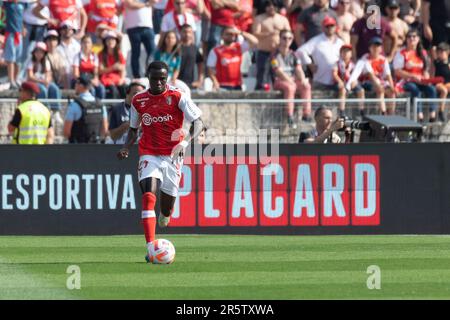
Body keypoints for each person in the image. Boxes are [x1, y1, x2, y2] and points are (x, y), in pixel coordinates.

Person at [116, 61, 204, 262]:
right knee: (148, 195)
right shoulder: (139, 100)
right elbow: (133, 129)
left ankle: (165, 215)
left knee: (165, 211)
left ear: (166, 79)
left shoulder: (178, 96)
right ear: (148, 78)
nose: (158, 83)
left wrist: (186, 143)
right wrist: (125, 147)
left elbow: (199, 122)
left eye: (162, 79)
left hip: (173, 156)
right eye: (154, 79)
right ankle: (151, 248)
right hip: (149, 154)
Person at [296, 16, 344, 107]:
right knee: (319, 110)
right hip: (320, 81)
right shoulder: (316, 40)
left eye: (332, 26)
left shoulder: (340, 42)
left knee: (335, 110)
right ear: (323, 27)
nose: (330, 28)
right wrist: (310, 64)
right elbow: (300, 51)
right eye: (327, 26)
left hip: (337, 81)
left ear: (335, 27)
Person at [393, 29, 438, 122]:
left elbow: (425, 69)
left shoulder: (423, 53)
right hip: (406, 80)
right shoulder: (402, 53)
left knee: (432, 89)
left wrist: (425, 75)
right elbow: (397, 71)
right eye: (409, 36)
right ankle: (419, 115)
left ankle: (432, 115)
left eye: (414, 36)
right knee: (415, 90)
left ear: (418, 39)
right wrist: (412, 76)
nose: (411, 39)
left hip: (420, 80)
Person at [270, 29, 311, 128]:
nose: (287, 41)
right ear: (279, 39)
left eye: (289, 38)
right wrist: (291, 81)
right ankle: (290, 116)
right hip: (279, 81)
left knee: (306, 86)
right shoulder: (274, 55)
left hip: (292, 80)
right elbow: (278, 72)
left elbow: (298, 69)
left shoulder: (294, 54)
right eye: (284, 38)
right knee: (290, 87)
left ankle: (306, 114)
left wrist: (303, 79)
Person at [346, 36, 396, 115]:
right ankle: (383, 113)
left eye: (378, 46)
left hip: (380, 82)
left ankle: (391, 114)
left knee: (391, 92)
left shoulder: (383, 60)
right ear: (370, 48)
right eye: (374, 46)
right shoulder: (365, 58)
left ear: (381, 48)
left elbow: (388, 75)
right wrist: (378, 84)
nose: (376, 48)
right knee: (379, 89)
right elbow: (370, 74)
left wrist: (392, 87)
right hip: (367, 82)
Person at [252, 0, 291, 90]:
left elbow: (289, 34)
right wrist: (269, 34)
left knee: (278, 76)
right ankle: (260, 96)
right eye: (268, 5)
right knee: (262, 75)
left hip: (278, 54)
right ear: (265, 7)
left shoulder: (283, 19)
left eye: (274, 5)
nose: (271, 7)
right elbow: (255, 34)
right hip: (264, 52)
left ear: (277, 7)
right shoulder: (259, 18)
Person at [207, 26, 259, 91]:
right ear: (222, 36)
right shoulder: (216, 51)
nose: (230, 36)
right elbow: (210, 68)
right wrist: (215, 81)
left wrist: (240, 32)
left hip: (237, 85)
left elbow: (255, 42)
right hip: (222, 85)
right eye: (227, 34)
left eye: (232, 34)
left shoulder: (239, 47)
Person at [63, 75, 109, 143]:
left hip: (78, 148)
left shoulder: (74, 105)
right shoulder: (101, 105)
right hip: (96, 148)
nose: (75, 86)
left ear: (81, 85)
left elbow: (66, 132)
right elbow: (105, 130)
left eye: (76, 83)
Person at [123, 0, 156, 79]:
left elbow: (154, 1)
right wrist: (146, 4)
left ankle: (150, 74)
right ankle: (136, 76)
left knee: (152, 52)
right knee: (135, 53)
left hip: (148, 26)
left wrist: (140, 4)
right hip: (133, 27)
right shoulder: (146, 3)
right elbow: (130, 4)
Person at [26, 41, 62, 112]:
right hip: (34, 83)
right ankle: (45, 109)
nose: (39, 54)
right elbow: (30, 76)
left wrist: (47, 81)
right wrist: (42, 81)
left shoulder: (46, 62)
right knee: (43, 90)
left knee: (55, 89)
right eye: (37, 52)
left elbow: (48, 74)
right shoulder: (31, 62)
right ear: (34, 53)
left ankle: (56, 111)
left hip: (43, 82)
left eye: (41, 52)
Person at [109, 80, 146, 145]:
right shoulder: (117, 109)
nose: (139, 97)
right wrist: (127, 125)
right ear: (127, 94)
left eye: (141, 94)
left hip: (140, 148)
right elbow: (113, 136)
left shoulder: (147, 109)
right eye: (135, 93)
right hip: (120, 147)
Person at [332, 43, 364, 117]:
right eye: (344, 51)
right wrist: (340, 81)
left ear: (351, 54)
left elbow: (356, 76)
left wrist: (354, 82)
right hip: (341, 83)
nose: (346, 53)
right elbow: (334, 74)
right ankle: (342, 112)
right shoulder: (337, 63)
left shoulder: (353, 65)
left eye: (348, 51)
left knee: (361, 90)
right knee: (343, 90)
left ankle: (361, 110)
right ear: (341, 53)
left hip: (350, 83)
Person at [73, 34, 106, 99]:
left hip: (91, 79)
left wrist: (95, 80)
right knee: (91, 90)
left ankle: (100, 107)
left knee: (101, 88)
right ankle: (89, 107)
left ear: (91, 45)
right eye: (84, 42)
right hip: (81, 80)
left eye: (88, 42)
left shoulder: (94, 56)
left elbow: (95, 73)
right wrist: (87, 81)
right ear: (81, 44)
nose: (86, 45)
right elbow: (76, 74)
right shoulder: (77, 56)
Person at [98, 30, 127, 99]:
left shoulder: (119, 54)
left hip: (117, 78)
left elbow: (122, 69)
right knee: (113, 90)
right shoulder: (101, 54)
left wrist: (122, 79)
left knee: (125, 89)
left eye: (113, 39)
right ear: (105, 42)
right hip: (106, 79)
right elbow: (100, 71)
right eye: (108, 39)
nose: (110, 41)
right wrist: (113, 68)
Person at [3, 0, 24, 89]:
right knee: (11, 58)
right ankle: (11, 80)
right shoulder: (7, 4)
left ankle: (16, 79)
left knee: (18, 59)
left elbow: (21, 18)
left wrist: (23, 28)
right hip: (10, 33)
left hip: (19, 34)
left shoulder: (21, 4)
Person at [56, 20, 81, 87]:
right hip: (60, 78)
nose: (67, 31)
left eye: (69, 29)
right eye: (64, 28)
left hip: (75, 77)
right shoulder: (56, 46)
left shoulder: (78, 46)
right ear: (60, 31)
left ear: (73, 31)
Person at [179, 24, 204, 89]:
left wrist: (199, 81)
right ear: (180, 33)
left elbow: (200, 66)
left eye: (189, 32)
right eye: (185, 32)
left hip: (190, 84)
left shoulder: (195, 49)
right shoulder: (175, 48)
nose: (187, 34)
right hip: (176, 83)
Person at [433, 42, 450, 122]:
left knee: (447, 87)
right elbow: (433, 48)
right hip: (438, 83)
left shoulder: (449, 64)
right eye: (438, 52)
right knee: (444, 90)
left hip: (447, 83)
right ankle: (441, 111)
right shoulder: (437, 63)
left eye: (442, 52)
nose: (440, 54)